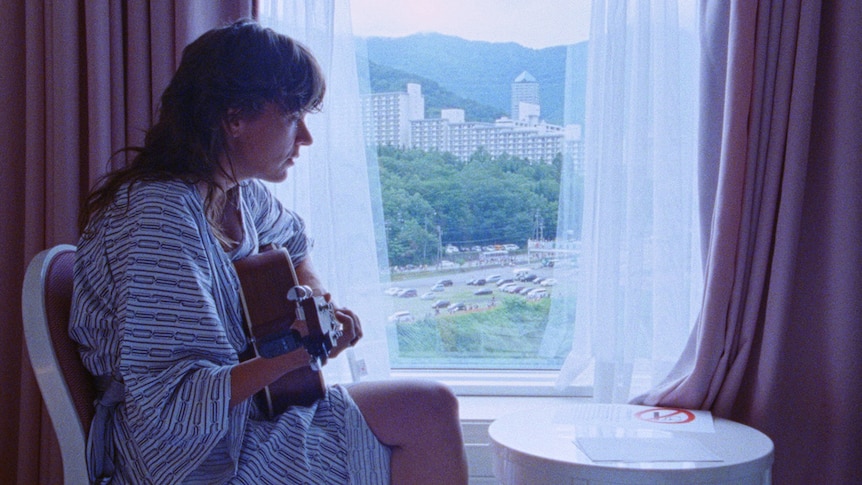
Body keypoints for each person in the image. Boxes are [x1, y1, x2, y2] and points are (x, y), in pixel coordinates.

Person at [70, 19, 468, 485]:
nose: (305, 138)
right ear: (234, 116)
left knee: (432, 406)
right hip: (183, 458)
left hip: (245, 419)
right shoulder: (158, 216)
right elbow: (171, 403)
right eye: (292, 116)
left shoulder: (237, 192)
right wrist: (298, 353)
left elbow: (295, 243)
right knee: (426, 419)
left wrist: (318, 307)